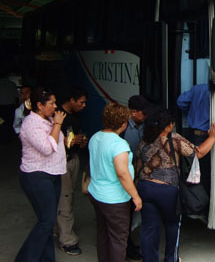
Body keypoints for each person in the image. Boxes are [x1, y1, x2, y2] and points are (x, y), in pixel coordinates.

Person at [135, 109, 215, 262]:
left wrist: (136, 190)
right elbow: (198, 152)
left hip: (145, 187)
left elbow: (138, 166)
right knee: (172, 225)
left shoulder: (144, 140)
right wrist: (212, 137)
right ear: (168, 126)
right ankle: (171, 259)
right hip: (167, 191)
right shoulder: (173, 139)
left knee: (149, 228)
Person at [15, 87, 67, 262]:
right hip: (37, 175)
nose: (55, 106)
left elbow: (56, 141)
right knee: (46, 221)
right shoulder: (31, 123)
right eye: (51, 103)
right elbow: (46, 148)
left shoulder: (48, 120)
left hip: (53, 173)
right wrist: (58, 124)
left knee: (47, 221)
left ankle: (46, 259)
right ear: (39, 105)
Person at [88, 102, 142, 262]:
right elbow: (123, 174)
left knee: (103, 234)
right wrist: (135, 196)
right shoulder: (119, 144)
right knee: (119, 239)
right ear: (123, 124)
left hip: (96, 194)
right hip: (115, 200)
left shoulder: (95, 137)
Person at [55, 87, 88, 256]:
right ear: (72, 100)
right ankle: (67, 240)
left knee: (68, 196)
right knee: (65, 198)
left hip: (73, 159)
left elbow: (75, 136)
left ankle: (58, 228)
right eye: (81, 102)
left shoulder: (77, 116)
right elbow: (48, 145)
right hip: (60, 163)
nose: (83, 106)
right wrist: (67, 143)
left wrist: (80, 141)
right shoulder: (57, 116)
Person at [123, 95, 155, 261]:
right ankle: (126, 247)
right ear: (133, 112)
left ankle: (127, 243)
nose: (145, 117)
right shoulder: (122, 129)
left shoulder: (142, 126)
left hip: (139, 174)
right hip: (125, 177)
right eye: (143, 114)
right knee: (125, 214)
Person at [177, 84, 211, 194]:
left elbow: (180, 102)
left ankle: (198, 201)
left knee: (195, 171)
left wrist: (193, 112)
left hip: (196, 135)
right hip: (213, 135)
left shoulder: (199, 88)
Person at [0, 71, 18, 143]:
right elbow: (16, 97)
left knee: (1, 122)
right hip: (10, 107)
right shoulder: (12, 84)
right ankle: (8, 138)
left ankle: (2, 136)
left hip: (1, 108)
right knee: (9, 122)